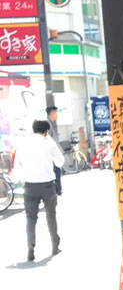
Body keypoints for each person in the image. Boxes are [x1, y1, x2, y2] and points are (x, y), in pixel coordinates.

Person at [18, 118, 63, 261]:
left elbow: (18, 164)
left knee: (31, 218)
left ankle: (30, 246)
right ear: (46, 132)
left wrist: (22, 179)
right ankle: (55, 246)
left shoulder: (24, 143)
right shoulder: (48, 143)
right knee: (51, 215)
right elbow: (60, 162)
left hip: (30, 185)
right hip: (47, 185)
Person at [46, 104, 63, 196]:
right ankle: (57, 190)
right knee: (56, 172)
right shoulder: (48, 124)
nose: (57, 115)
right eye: (56, 113)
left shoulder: (50, 123)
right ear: (51, 113)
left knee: (56, 172)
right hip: (51, 155)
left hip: (52, 154)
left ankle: (57, 190)